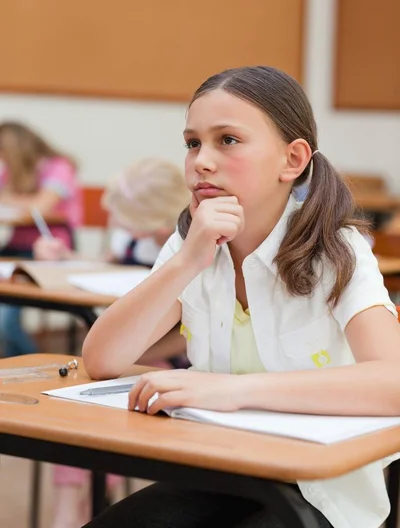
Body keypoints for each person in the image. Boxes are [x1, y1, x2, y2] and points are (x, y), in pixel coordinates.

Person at [81, 66, 400, 528]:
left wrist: (232, 391)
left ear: (292, 160)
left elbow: (393, 383)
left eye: (227, 140)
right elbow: (104, 359)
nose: (201, 161)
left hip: (319, 492)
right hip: (218, 473)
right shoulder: (191, 244)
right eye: (193, 143)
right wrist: (188, 260)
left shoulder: (335, 249)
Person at [34, 157, 190, 528]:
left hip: (172, 363)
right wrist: (66, 258)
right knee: (79, 401)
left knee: (109, 400)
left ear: (156, 217)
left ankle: (75, 505)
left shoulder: (187, 247)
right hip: (127, 354)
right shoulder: (134, 239)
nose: (120, 227)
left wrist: (129, 351)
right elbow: (105, 265)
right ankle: (72, 502)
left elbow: (186, 335)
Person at [0, 121, 82, 357]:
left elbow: (40, 207)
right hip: (15, 248)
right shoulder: (9, 172)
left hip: (49, 251)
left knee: (4, 322)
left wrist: (9, 197)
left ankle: (25, 361)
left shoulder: (59, 167)